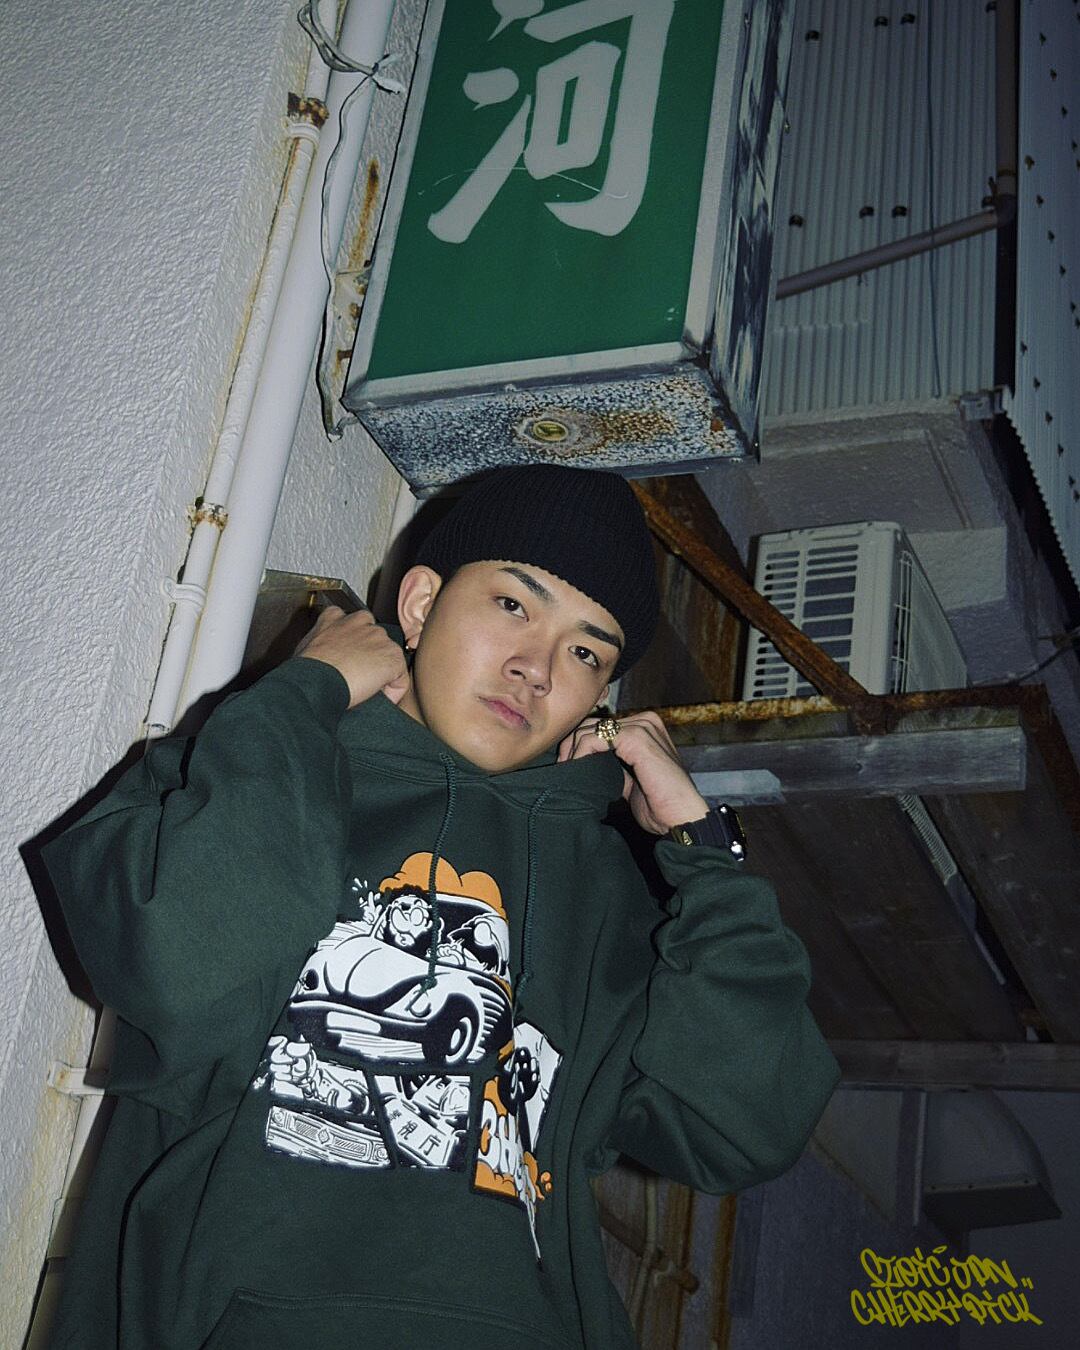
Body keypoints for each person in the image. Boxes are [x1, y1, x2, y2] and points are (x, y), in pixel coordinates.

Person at [40, 464, 840, 1349]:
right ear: (420, 605)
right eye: (513, 605)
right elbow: (172, 957)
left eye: (587, 652)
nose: (537, 669)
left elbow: (746, 1131)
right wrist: (301, 698)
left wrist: (705, 855)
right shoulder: (249, 772)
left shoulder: (622, 905)